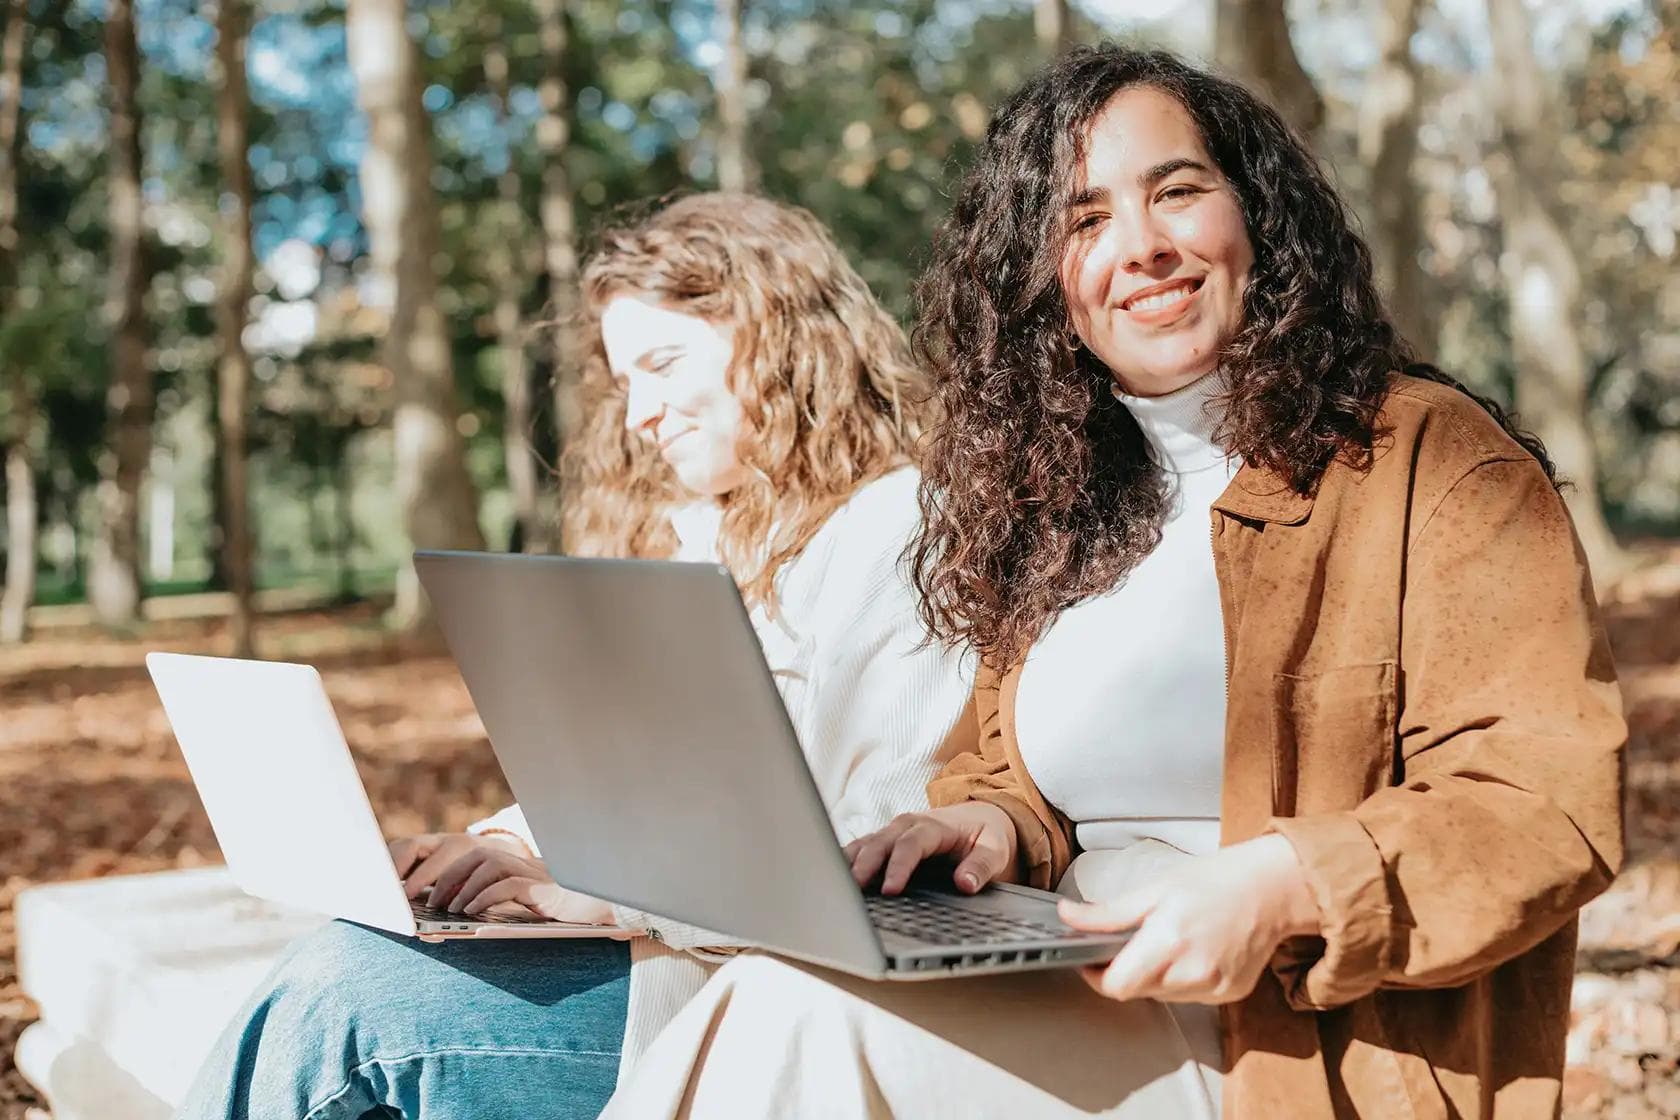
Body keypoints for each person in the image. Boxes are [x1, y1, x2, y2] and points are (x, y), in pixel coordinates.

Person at [601, 46, 1626, 1120]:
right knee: (772, 996)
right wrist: (991, 830)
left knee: (793, 1020)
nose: (1141, 248)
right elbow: (1009, 770)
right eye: (1084, 219)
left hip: (1300, 1046)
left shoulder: (1429, 462)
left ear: (1258, 217)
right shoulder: (1066, 500)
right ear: (1043, 279)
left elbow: (1545, 798)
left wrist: (1282, 883)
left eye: (1178, 191)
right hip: (1072, 977)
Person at [172, 192, 973, 1120]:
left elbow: (877, 837)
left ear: (781, 337)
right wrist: (507, 845)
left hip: (757, 998)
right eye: (626, 380)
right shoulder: (700, 537)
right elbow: (630, 783)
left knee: (351, 1005)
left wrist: (601, 893)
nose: (639, 414)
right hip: (647, 951)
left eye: (664, 363)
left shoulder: (902, 526)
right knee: (349, 965)